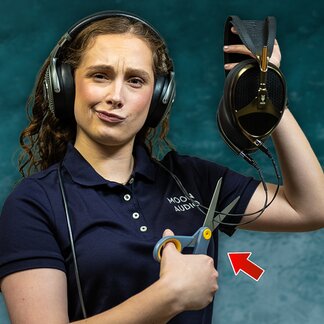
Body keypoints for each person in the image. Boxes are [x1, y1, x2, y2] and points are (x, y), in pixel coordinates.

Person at [0, 11, 323, 324]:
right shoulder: (33, 204)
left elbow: (311, 208)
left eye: (136, 81)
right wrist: (168, 297)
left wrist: (267, 92)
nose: (116, 96)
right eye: (100, 75)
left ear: (158, 98)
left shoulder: (193, 181)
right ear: (66, 85)